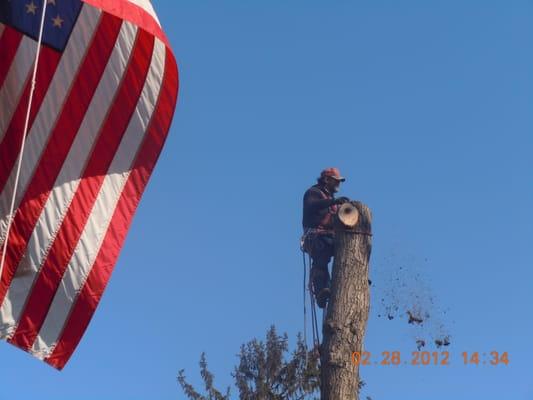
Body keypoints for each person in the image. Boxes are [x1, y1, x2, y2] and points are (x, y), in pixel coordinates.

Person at [301, 167, 349, 308]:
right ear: (327, 180)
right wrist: (332, 203)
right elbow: (312, 206)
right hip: (315, 236)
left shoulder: (331, 199)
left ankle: (350, 278)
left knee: (346, 249)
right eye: (336, 181)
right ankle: (321, 290)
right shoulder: (313, 192)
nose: (338, 184)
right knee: (322, 255)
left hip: (329, 236)